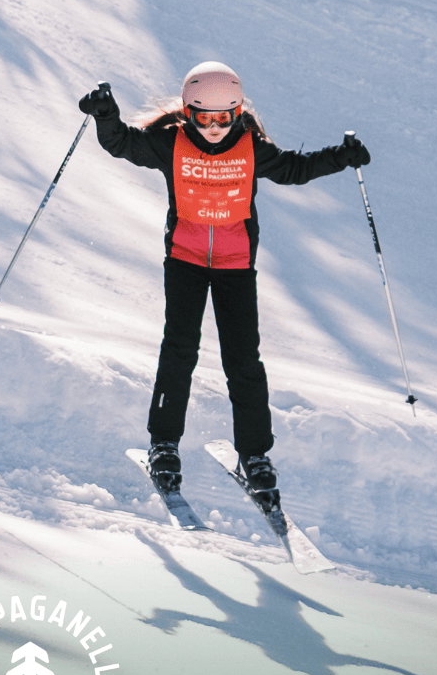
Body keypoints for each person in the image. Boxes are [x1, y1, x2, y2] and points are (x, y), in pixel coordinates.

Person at [79, 61, 369, 511]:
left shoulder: (251, 147)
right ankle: (164, 443)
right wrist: (105, 114)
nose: (214, 128)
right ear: (187, 111)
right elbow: (122, 143)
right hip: (185, 261)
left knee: (243, 360)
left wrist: (340, 156)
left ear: (237, 112)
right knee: (179, 351)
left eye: (224, 117)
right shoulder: (170, 143)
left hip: (236, 266)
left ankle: (255, 454)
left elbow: (293, 169)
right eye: (203, 117)